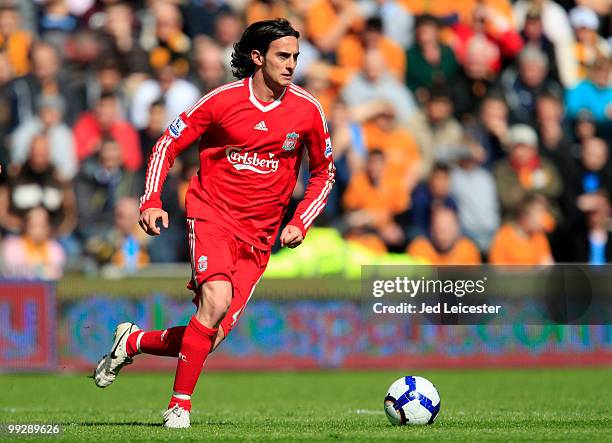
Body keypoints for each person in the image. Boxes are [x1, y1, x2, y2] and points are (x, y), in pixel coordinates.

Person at [92, 19, 335, 428]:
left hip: (260, 238)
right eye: (282, 55)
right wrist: (150, 199)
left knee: (209, 335)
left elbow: (324, 172)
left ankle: (132, 340)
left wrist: (301, 220)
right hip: (212, 216)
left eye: (295, 56)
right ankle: (179, 407)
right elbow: (168, 143)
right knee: (216, 302)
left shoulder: (307, 111)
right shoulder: (222, 101)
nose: (292, 64)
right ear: (257, 58)